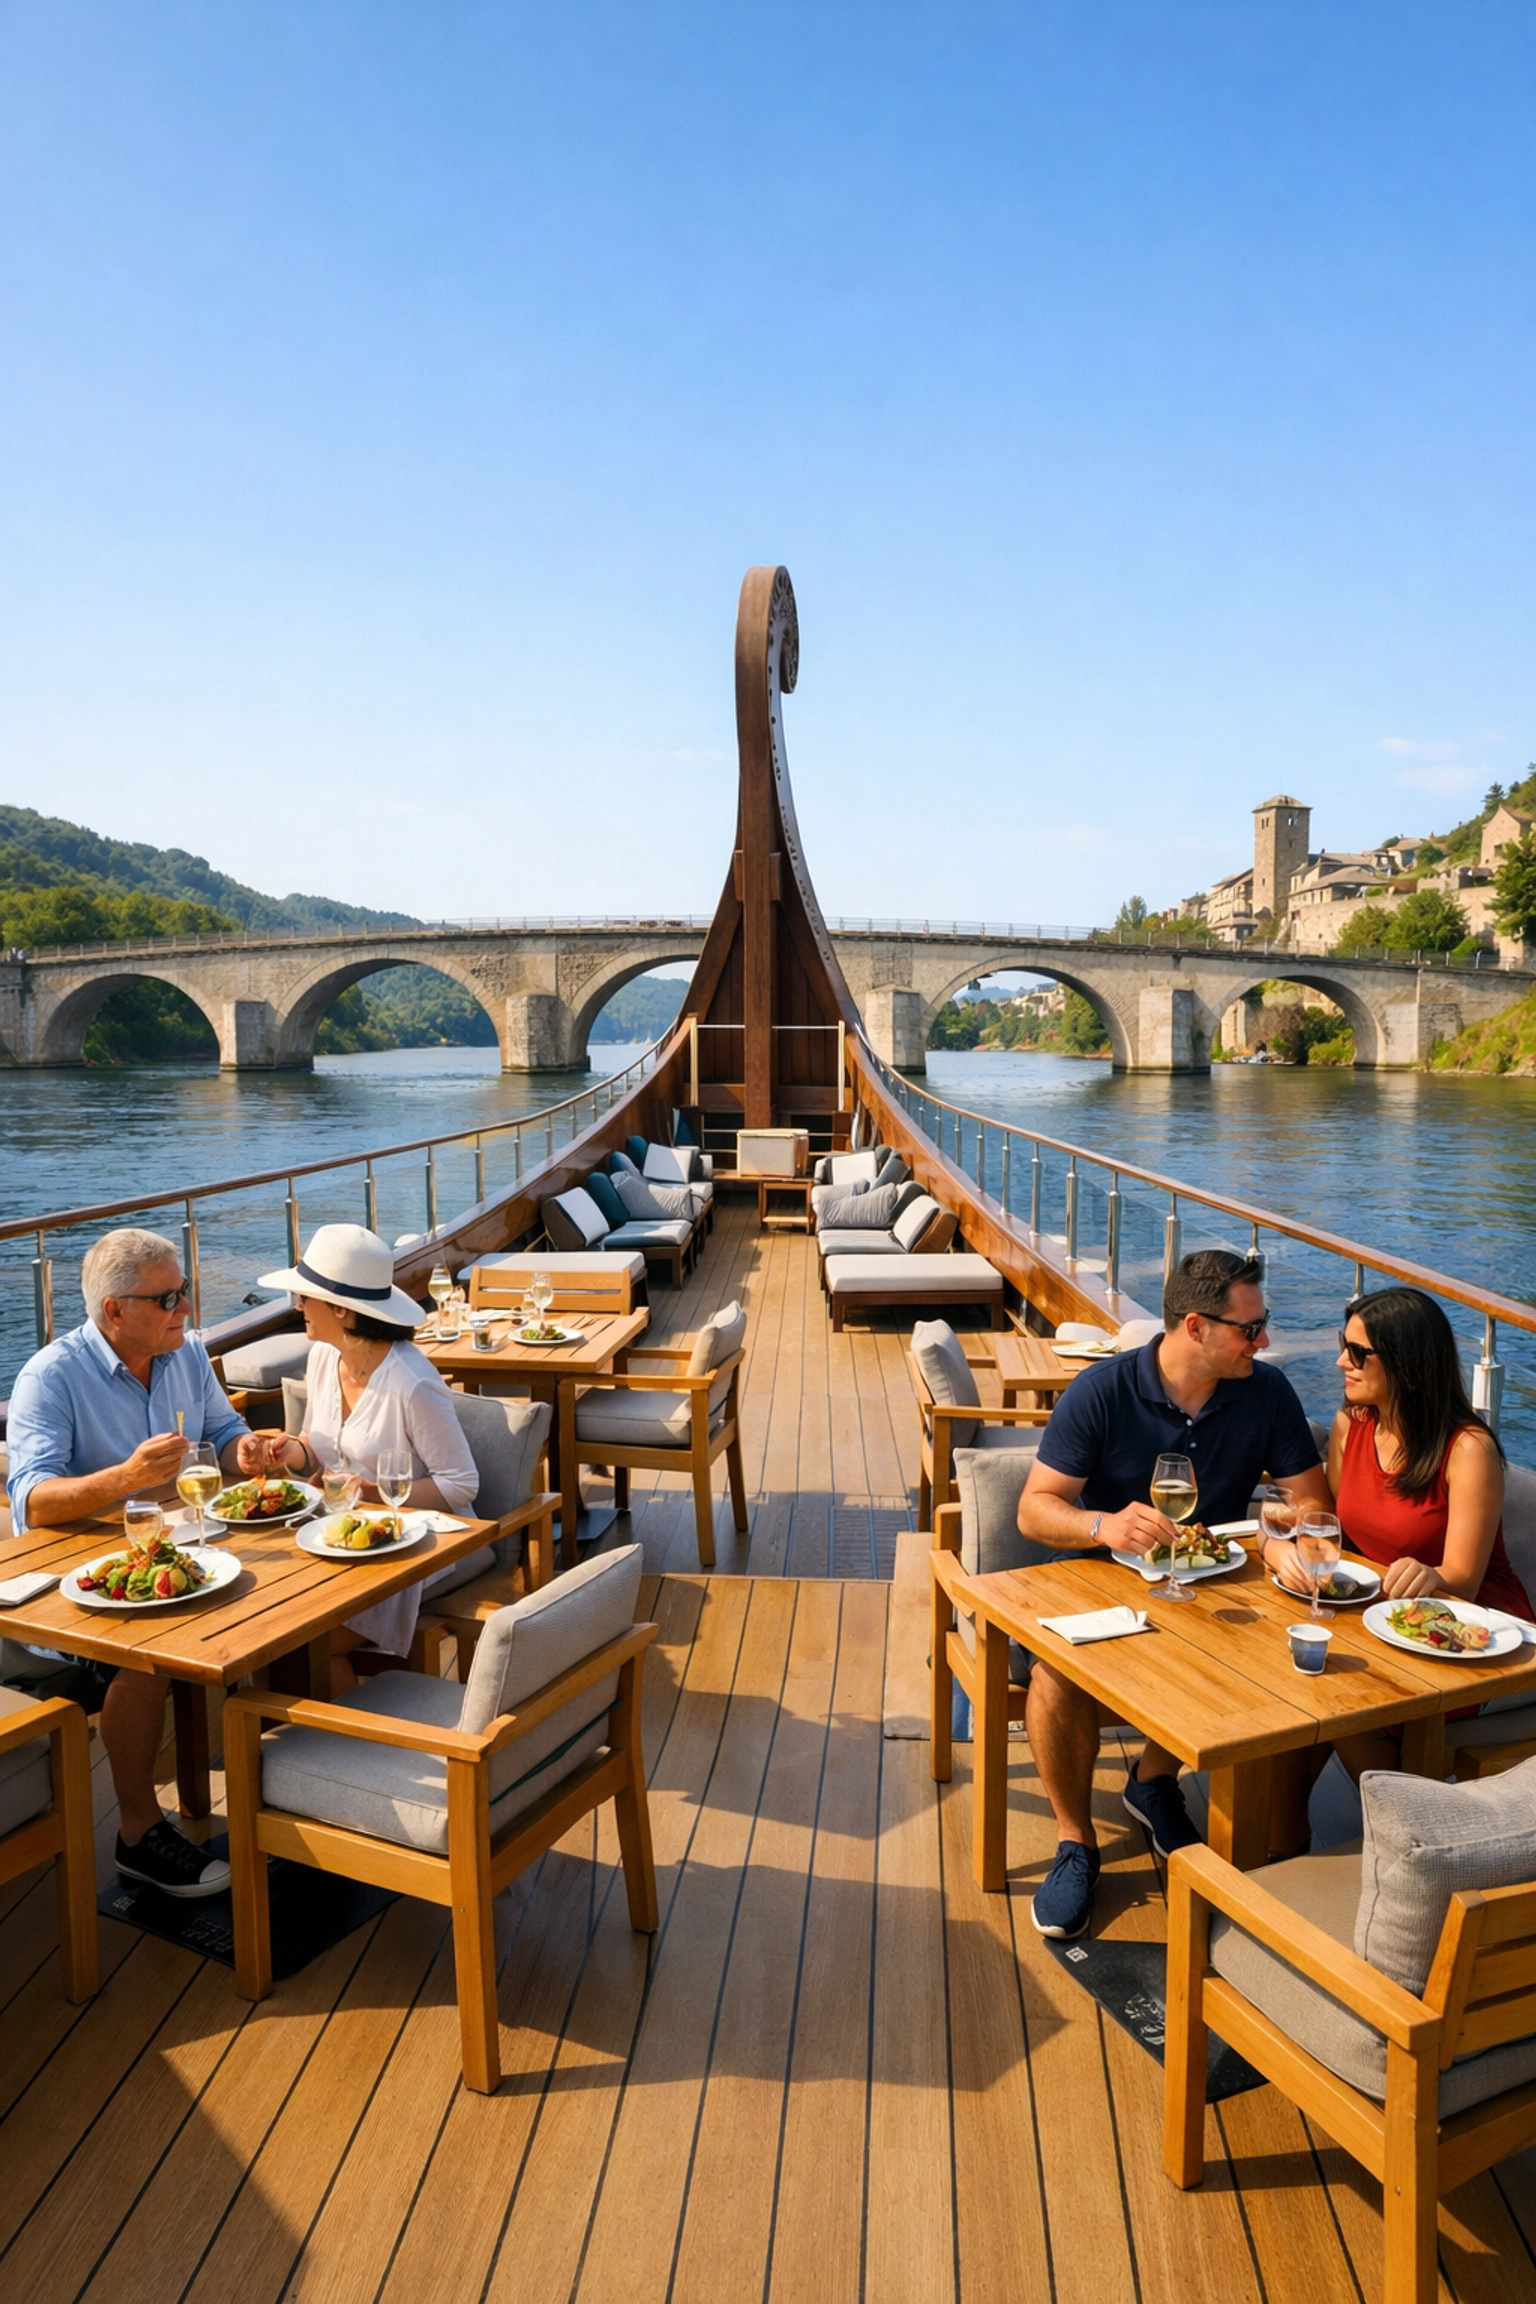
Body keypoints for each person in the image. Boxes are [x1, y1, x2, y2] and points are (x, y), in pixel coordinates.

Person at [1015, 1249, 1333, 1940]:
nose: (1265, 1341)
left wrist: (1279, 1529)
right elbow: (1034, 1510)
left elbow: (1312, 1504)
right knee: (1056, 1679)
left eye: (1264, 1325)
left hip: (1207, 1585)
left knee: (1271, 1652)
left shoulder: (1265, 1393)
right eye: (1250, 1329)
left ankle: (1154, 1782)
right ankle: (1076, 1844)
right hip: (1096, 1581)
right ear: (1196, 1326)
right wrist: (1103, 1525)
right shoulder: (1103, 1391)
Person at [5, 1226, 270, 1898]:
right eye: (168, 1298)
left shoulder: (186, 1354)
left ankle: (286, 1792)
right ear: (113, 1311)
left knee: (272, 1600)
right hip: (80, 1586)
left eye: (185, 1292)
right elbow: (32, 1500)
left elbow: (224, 1431)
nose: (186, 1308)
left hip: (174, 1558)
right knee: (142, 1658)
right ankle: (137, 1835)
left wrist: (242, 1453)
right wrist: (123, 1479)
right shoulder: (52, 1376)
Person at [1264, 1286, 1529, 1788]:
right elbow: (1337, 1539)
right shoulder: (1351, 1424)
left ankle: (1409, 1820)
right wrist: (1284, 1537)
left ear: (1406, 1363)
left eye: (1358, 1352)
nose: (1343, 1361)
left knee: (1325, 1698)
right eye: (1344, 1345)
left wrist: (1428, 1574)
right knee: (1285, 1699)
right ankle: (1284, 1844)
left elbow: (1463, 1583)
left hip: (1463, 1628)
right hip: (1374, 1612)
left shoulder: (1468, 1449)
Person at [246, 1225, 478, 1691]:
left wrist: (368, 1493)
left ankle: (356, 1749)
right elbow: (315, 1443)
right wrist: (283, 1450)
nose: (297, 1307)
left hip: (421, 1545)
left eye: (305, 1297)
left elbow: (461, 1485)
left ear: (341, 1309)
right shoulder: (322, 1357)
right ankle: (304, 1743)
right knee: (269, 1617)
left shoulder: (412, 1381)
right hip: (342, 1537)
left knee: (307, 1635)